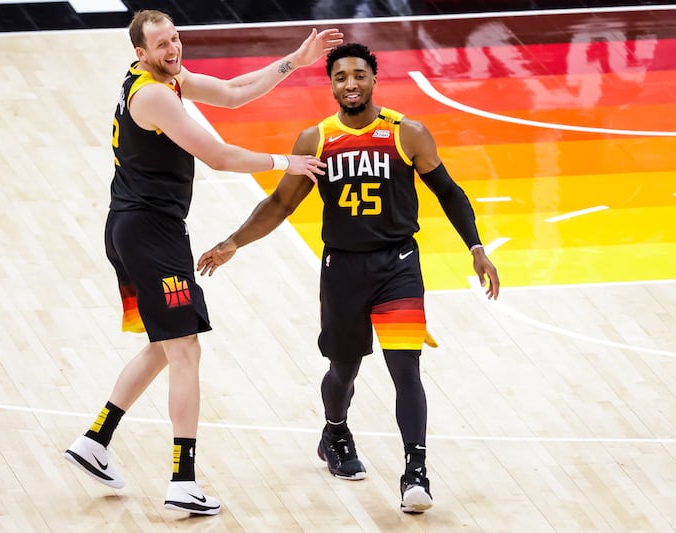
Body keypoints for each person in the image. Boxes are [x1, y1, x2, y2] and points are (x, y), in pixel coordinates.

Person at [197, 42, 500, 514]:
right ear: (332, 85)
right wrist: (234, 241)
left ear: (374, 79)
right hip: (342, 270)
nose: (351, 83)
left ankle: (415, 471)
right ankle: (334, 432)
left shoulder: (407, 133)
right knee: (344, 369)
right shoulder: (316, 140)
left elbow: (449, 192)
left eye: (359, 74)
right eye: (341, 77)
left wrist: (476, 247)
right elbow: (280, 203)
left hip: (398, 265)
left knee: (406, 369)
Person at [63, 9, 342, 516]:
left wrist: (294, 62)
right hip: (150, 233)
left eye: (175, 38)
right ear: (140, 53)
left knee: (166, 344)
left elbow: (233, 93)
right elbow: (217, 155)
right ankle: (182, 481)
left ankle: (94, 441)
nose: (173, 48)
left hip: (137, 228)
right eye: (162, 44)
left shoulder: (162, 78)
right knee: (186, 350)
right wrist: (287, 163)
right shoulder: (152, 95)